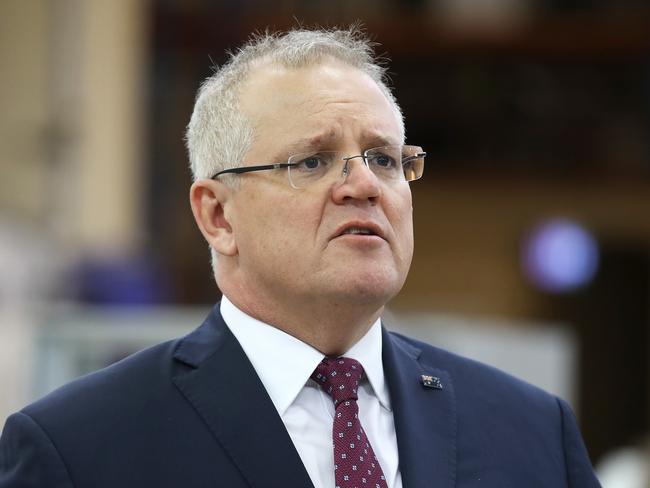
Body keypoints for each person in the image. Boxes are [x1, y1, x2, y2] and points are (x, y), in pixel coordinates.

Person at [0, 27, 600, 487]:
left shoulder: (532, 430)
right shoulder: (77, 449)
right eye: (312, 161)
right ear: (218, 215)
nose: (363, 185)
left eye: (385, 159)